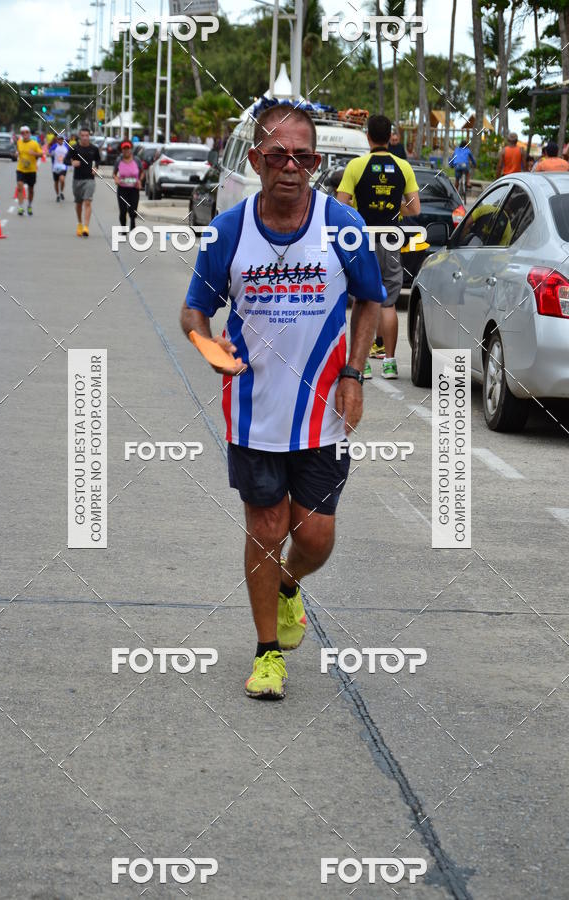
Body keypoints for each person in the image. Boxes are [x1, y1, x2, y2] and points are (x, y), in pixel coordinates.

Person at [180, 104, 385, 700]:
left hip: (323, 412)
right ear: (256, 160)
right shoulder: (228, 231)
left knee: (315, 536)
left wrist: (354, 373)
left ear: (317, 164)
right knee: (265, 527)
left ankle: (290, 584)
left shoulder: (342, 225)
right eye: (277, 155)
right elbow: (196, 308)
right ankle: (268, 653)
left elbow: (370, 301)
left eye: (304, 157)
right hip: (252, 413)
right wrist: (205, 344)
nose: (290, 167)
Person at [337, 113, 420, 380]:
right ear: (389, 136)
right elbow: (414, 208)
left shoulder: (356, 166)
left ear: (368, 136)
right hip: (391, 238)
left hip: (364, 239)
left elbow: (341, 203)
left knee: (364, 299)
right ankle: (390, 363)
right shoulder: (403, 167)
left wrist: (360, 212)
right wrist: (395, 207)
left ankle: (361, 365)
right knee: (389, 302)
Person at [65, 127, 100, 237]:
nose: (85, 138)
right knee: (79, 203)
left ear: (89, 136)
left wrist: (96, 168)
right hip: (77, 179)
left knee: (87, 201)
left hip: (90, 179)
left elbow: (98, 159)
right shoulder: (74, 148)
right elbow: (66, 160)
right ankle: (80, 223)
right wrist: (72, 162)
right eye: (83, 135)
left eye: (87, 135)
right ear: (79, 136)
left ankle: (86, 227)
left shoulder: (94, 148)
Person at [113, 140, 143, 229]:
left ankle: (132, 221)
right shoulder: (119, 160)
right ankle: (123, 228)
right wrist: (116, 179)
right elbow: (114, 173)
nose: (126, 151)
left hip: (134, 188)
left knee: (133, 210)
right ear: (122, 150)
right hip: (122, 188)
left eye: (128, 149)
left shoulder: (136, 160)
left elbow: (142, 172)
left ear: (131, 149)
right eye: (124, 149)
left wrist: (140, 181)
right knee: (123, 210)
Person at [15, 125, 42, 216]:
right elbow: (18, 152)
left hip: (31, 170)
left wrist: (34, 153)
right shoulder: (19, 142)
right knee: (20, 186)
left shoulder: (34, 143)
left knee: (31, 190)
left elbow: (41, 154)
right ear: (21, 134)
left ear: (29, 133)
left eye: (27, 132)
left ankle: (29, 205)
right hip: (21, 169)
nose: (25, 134)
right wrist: (16, 154)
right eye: (23, 133)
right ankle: (21, 207)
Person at [49, 133, 69, 201]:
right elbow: (49, 153)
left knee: (62, 179)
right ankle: (57, 195)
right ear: (57, 140)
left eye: (62, 139)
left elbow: (70, 155)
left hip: (63, 166)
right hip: (55, 166)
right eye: (59, 139)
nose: (60, 140)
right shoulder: (54, 146)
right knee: (56, 182)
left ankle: (61, 192)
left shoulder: (66, 146)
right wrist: (51, 153)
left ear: (64, 140)